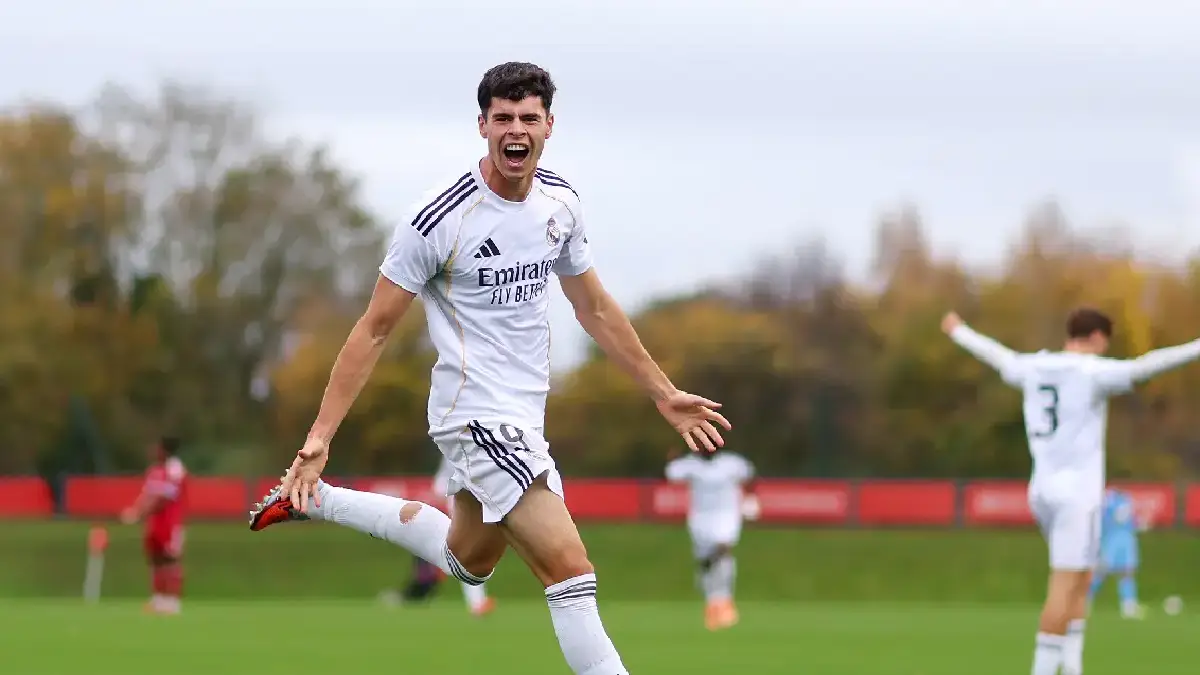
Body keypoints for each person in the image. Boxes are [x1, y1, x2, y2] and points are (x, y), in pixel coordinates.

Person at [249, 61, 730, 675]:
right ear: (482, 126)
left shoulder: (561, 205)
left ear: (549, 126)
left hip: (524, 416)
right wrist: (318, 438)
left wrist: (663, 394)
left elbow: (595, 307)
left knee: (467, 560)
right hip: (474, 415)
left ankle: (315, 503)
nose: (516, 129)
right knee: (571, 572)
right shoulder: (438, 220)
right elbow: (372, 329)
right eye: (503, 117)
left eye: (529, 118)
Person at [942, 308, 1200, 675]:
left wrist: (960, 332)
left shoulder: (1031, 367)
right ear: (1097, 338)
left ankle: (1073, 666)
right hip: (1075, 495)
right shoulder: (1093, 372)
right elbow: (1147, 366)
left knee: (1081, 576)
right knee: (1064, 584)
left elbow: (996, 355)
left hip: (1042, 489)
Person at [665, 448, 754, 631]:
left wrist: (750, 501)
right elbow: (672, 474)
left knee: (723, 549)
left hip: (727, 515)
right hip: (701, 519)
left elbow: (749, 475)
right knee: (706, 561)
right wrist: (673, 457)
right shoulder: (691, 464)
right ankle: (713, 605)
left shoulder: (731, 463)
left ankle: (726, 600)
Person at [121, 436, 187, 615]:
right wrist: (135, 510)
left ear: (165, 450)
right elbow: (147, 495)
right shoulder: (154, 471)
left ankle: (172, 602)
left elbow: (163, 499)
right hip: (154, 523)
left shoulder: (175, 470)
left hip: (170, 524)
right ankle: (158, 600)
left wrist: (139, 514)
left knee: (170, 561)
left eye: (156, 447)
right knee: (155, 560)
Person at [1088, 487, 1147, 619]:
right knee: (1102, 572)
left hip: (1122, 540)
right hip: (1115, 540)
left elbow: (1133, 521)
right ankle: (1085, 602)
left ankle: (1128, 606)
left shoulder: (1118, 499)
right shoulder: (1115, 499)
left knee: (1125, 572)